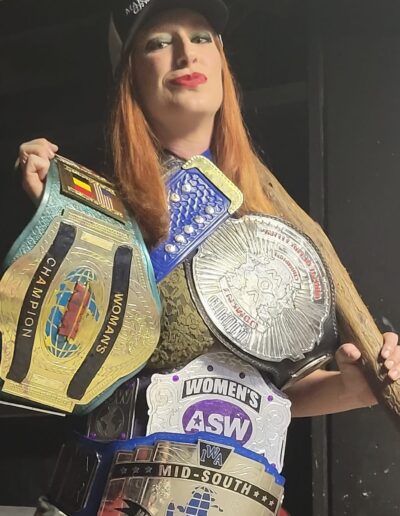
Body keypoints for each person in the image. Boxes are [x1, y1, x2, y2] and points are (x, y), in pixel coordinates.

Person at [13, 0, 400, 513]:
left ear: (221, 61)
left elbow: (272, 394)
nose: (185, 53)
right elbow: (58, 366)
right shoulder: (98, 210)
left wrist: (356, 386)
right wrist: (58, 223)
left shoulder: (268, 225)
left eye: (201, 38)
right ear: (130, 75)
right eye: (158, 42)